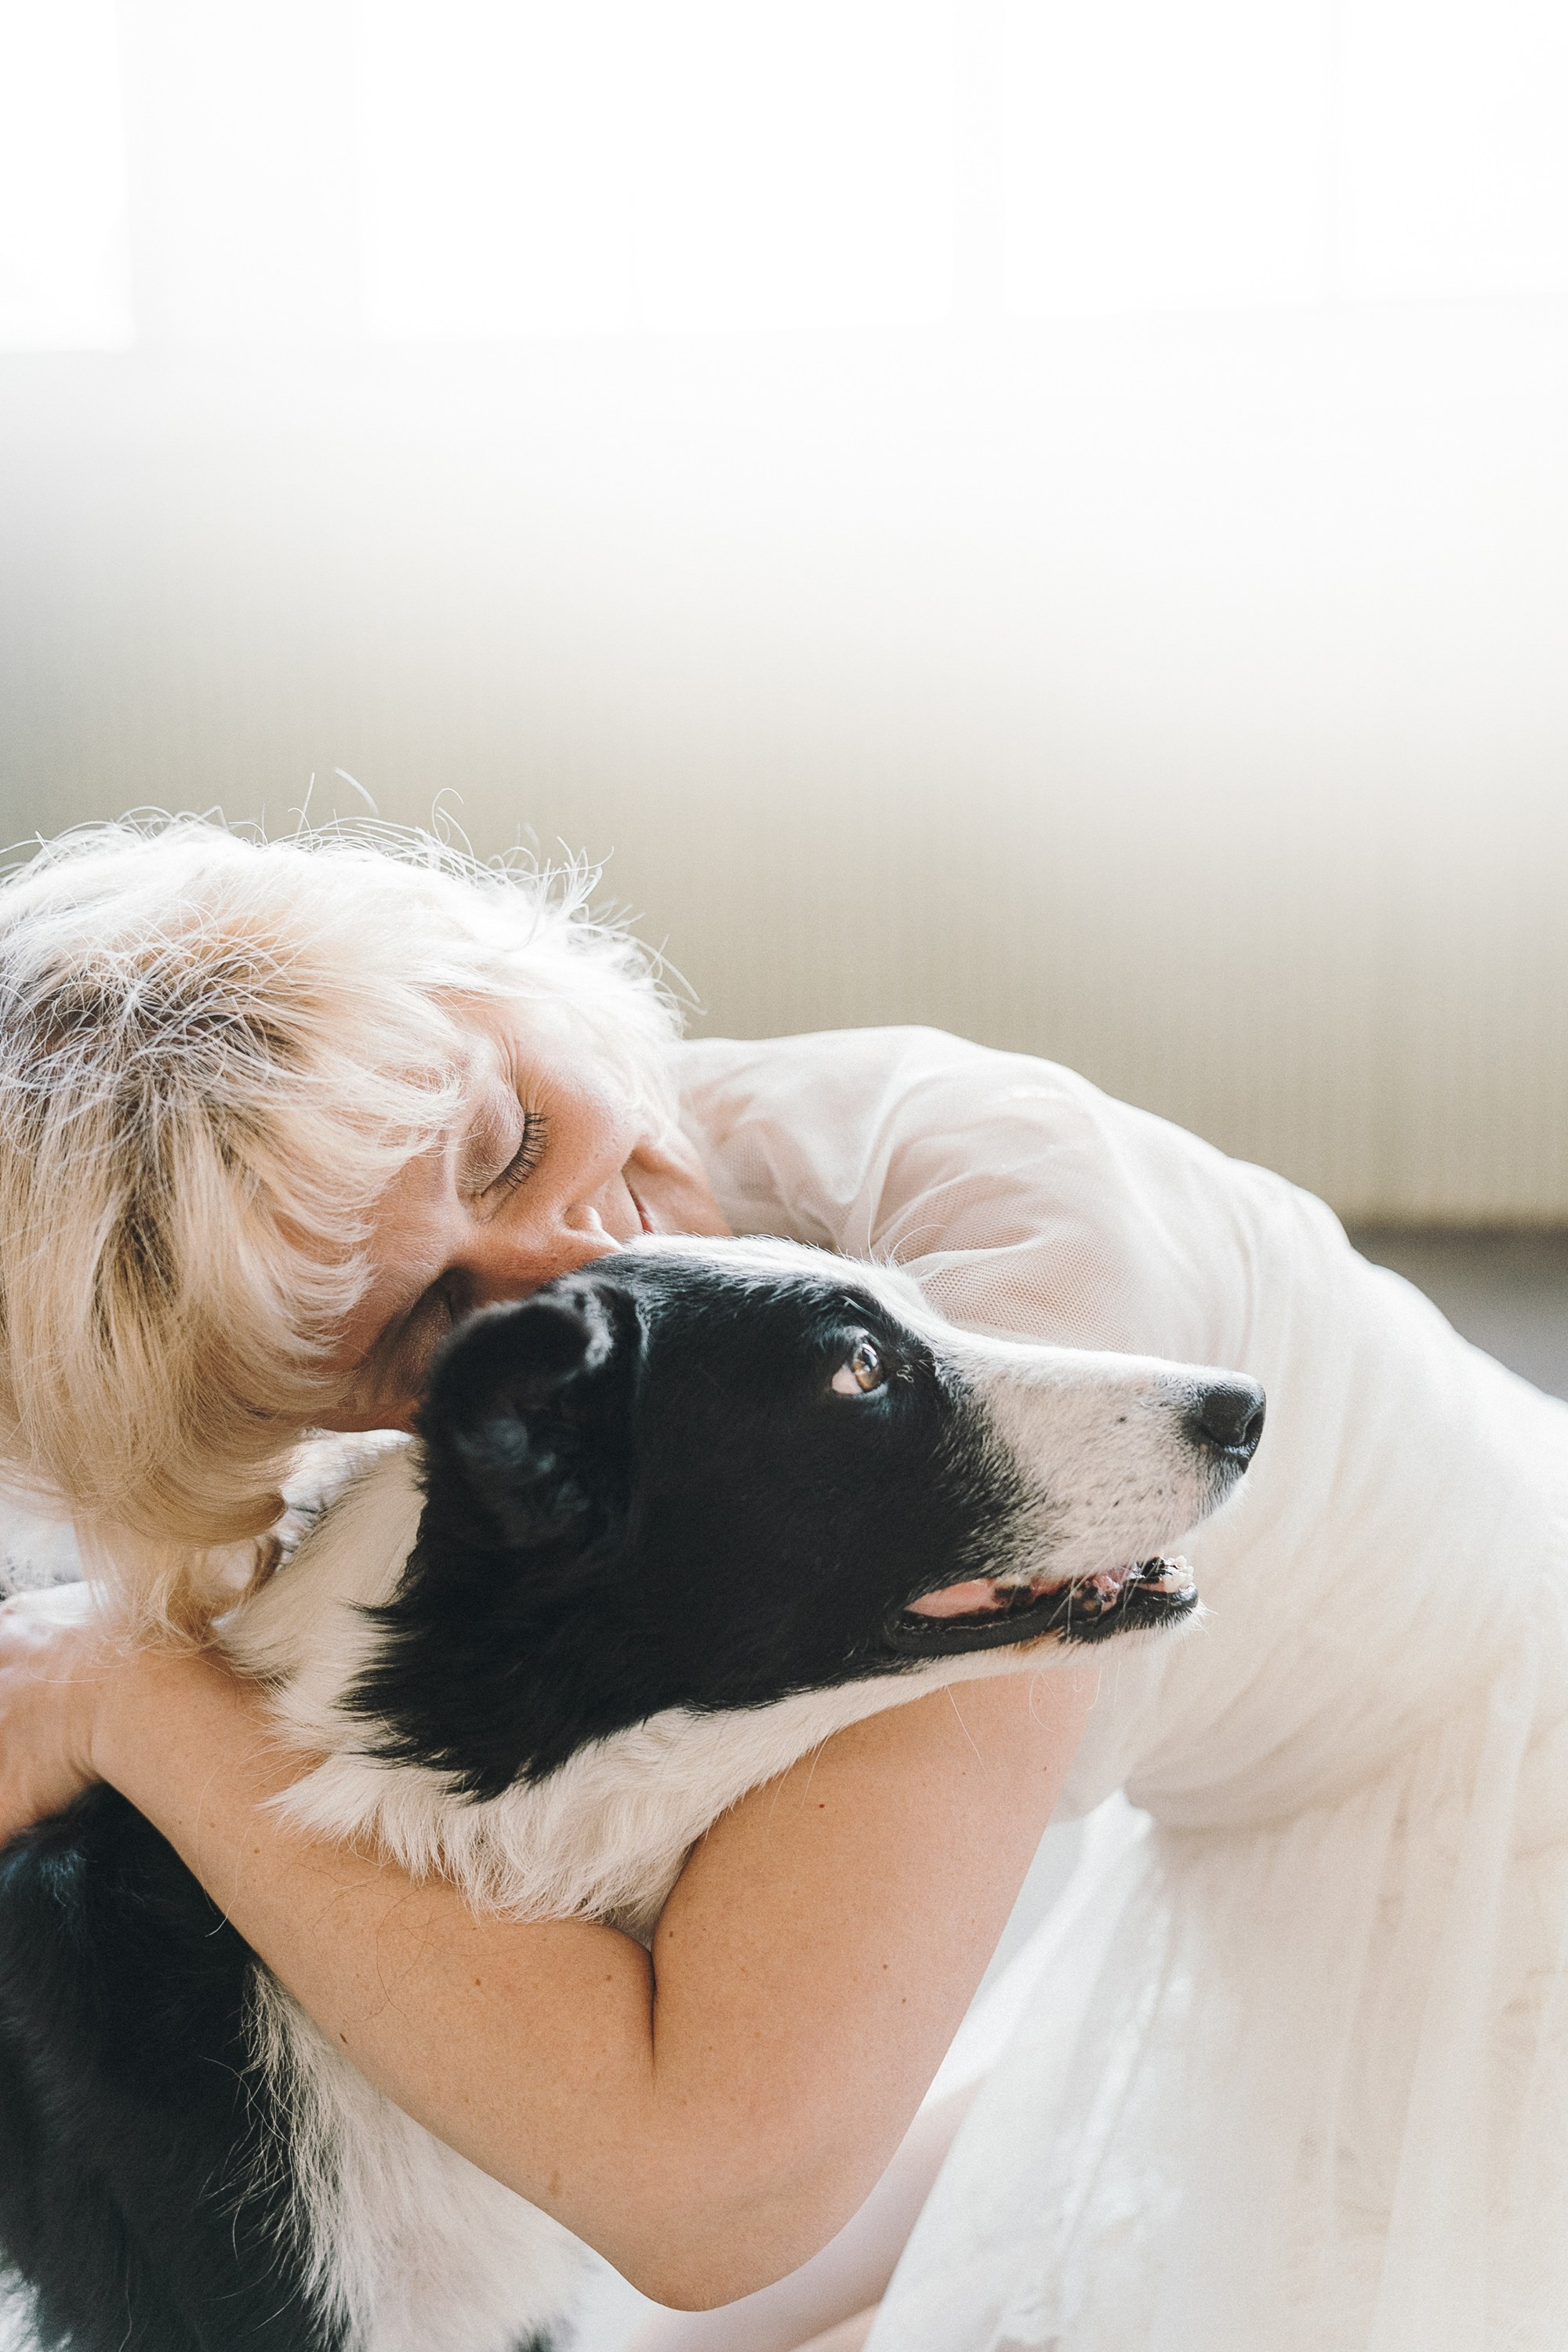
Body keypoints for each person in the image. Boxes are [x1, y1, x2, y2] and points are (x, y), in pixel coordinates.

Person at [3, 815, 1566, 2350]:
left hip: (1511, 1820)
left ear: (497, 971)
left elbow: (715, 2190)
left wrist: (126, 1699)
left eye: (507, 1145)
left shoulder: (1010, 1259)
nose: (569, 1267)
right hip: (1240, 1820)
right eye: (438, 1328)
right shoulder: (537, 1367)